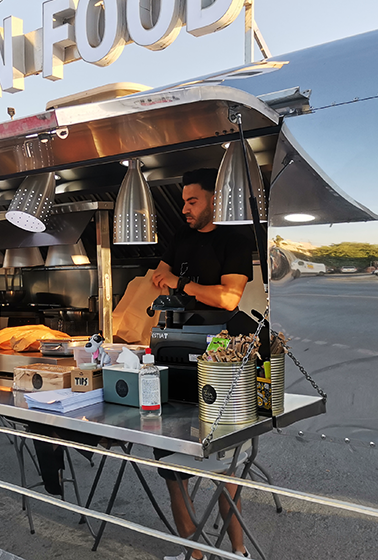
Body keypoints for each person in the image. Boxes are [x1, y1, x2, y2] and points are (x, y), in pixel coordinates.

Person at [151, 168, 253, 560]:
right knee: (169, 462)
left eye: (192, 201)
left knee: (225, 467)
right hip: (177, 347)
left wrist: (182, 284)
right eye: (183, 202)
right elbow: (160, 273)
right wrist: (175, 280)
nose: (185, 209)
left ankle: (238, 552)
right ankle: (195, 554)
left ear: (214, 199)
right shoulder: (180, 239)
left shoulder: (235, 240)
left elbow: (229, 299)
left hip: (222, 357)